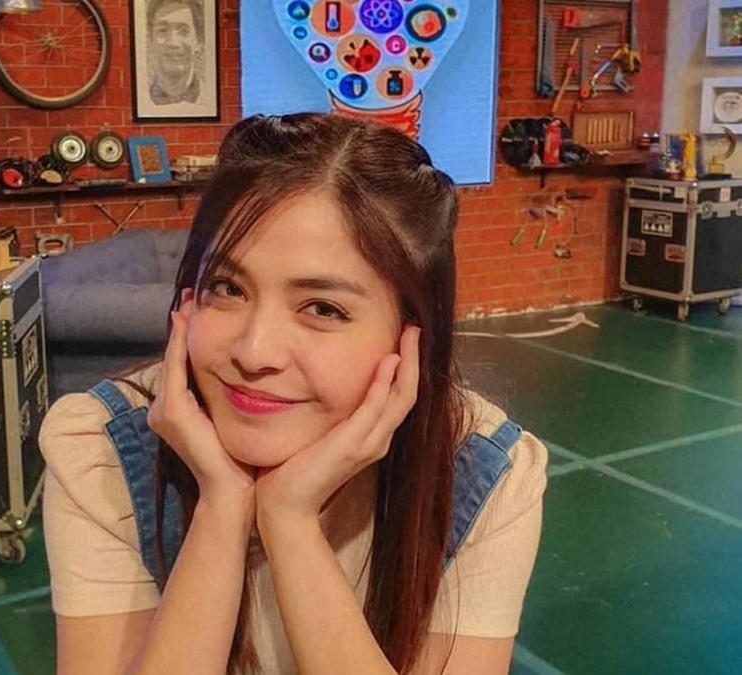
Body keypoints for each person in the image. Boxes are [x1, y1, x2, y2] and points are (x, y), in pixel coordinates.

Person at [40, 113, 548, 674]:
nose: (255, 351)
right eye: (227, 288)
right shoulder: (102, 451)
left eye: (322, 308)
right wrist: (221, 506)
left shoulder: (480, 472)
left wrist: (289, 520)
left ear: (411, 339)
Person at [147, 0, 204, 106]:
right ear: (151, 40)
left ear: (199, 41)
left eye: (183, 31)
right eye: (162, 30)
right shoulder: (143, 100)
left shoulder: (209, 100)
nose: (173, 43)